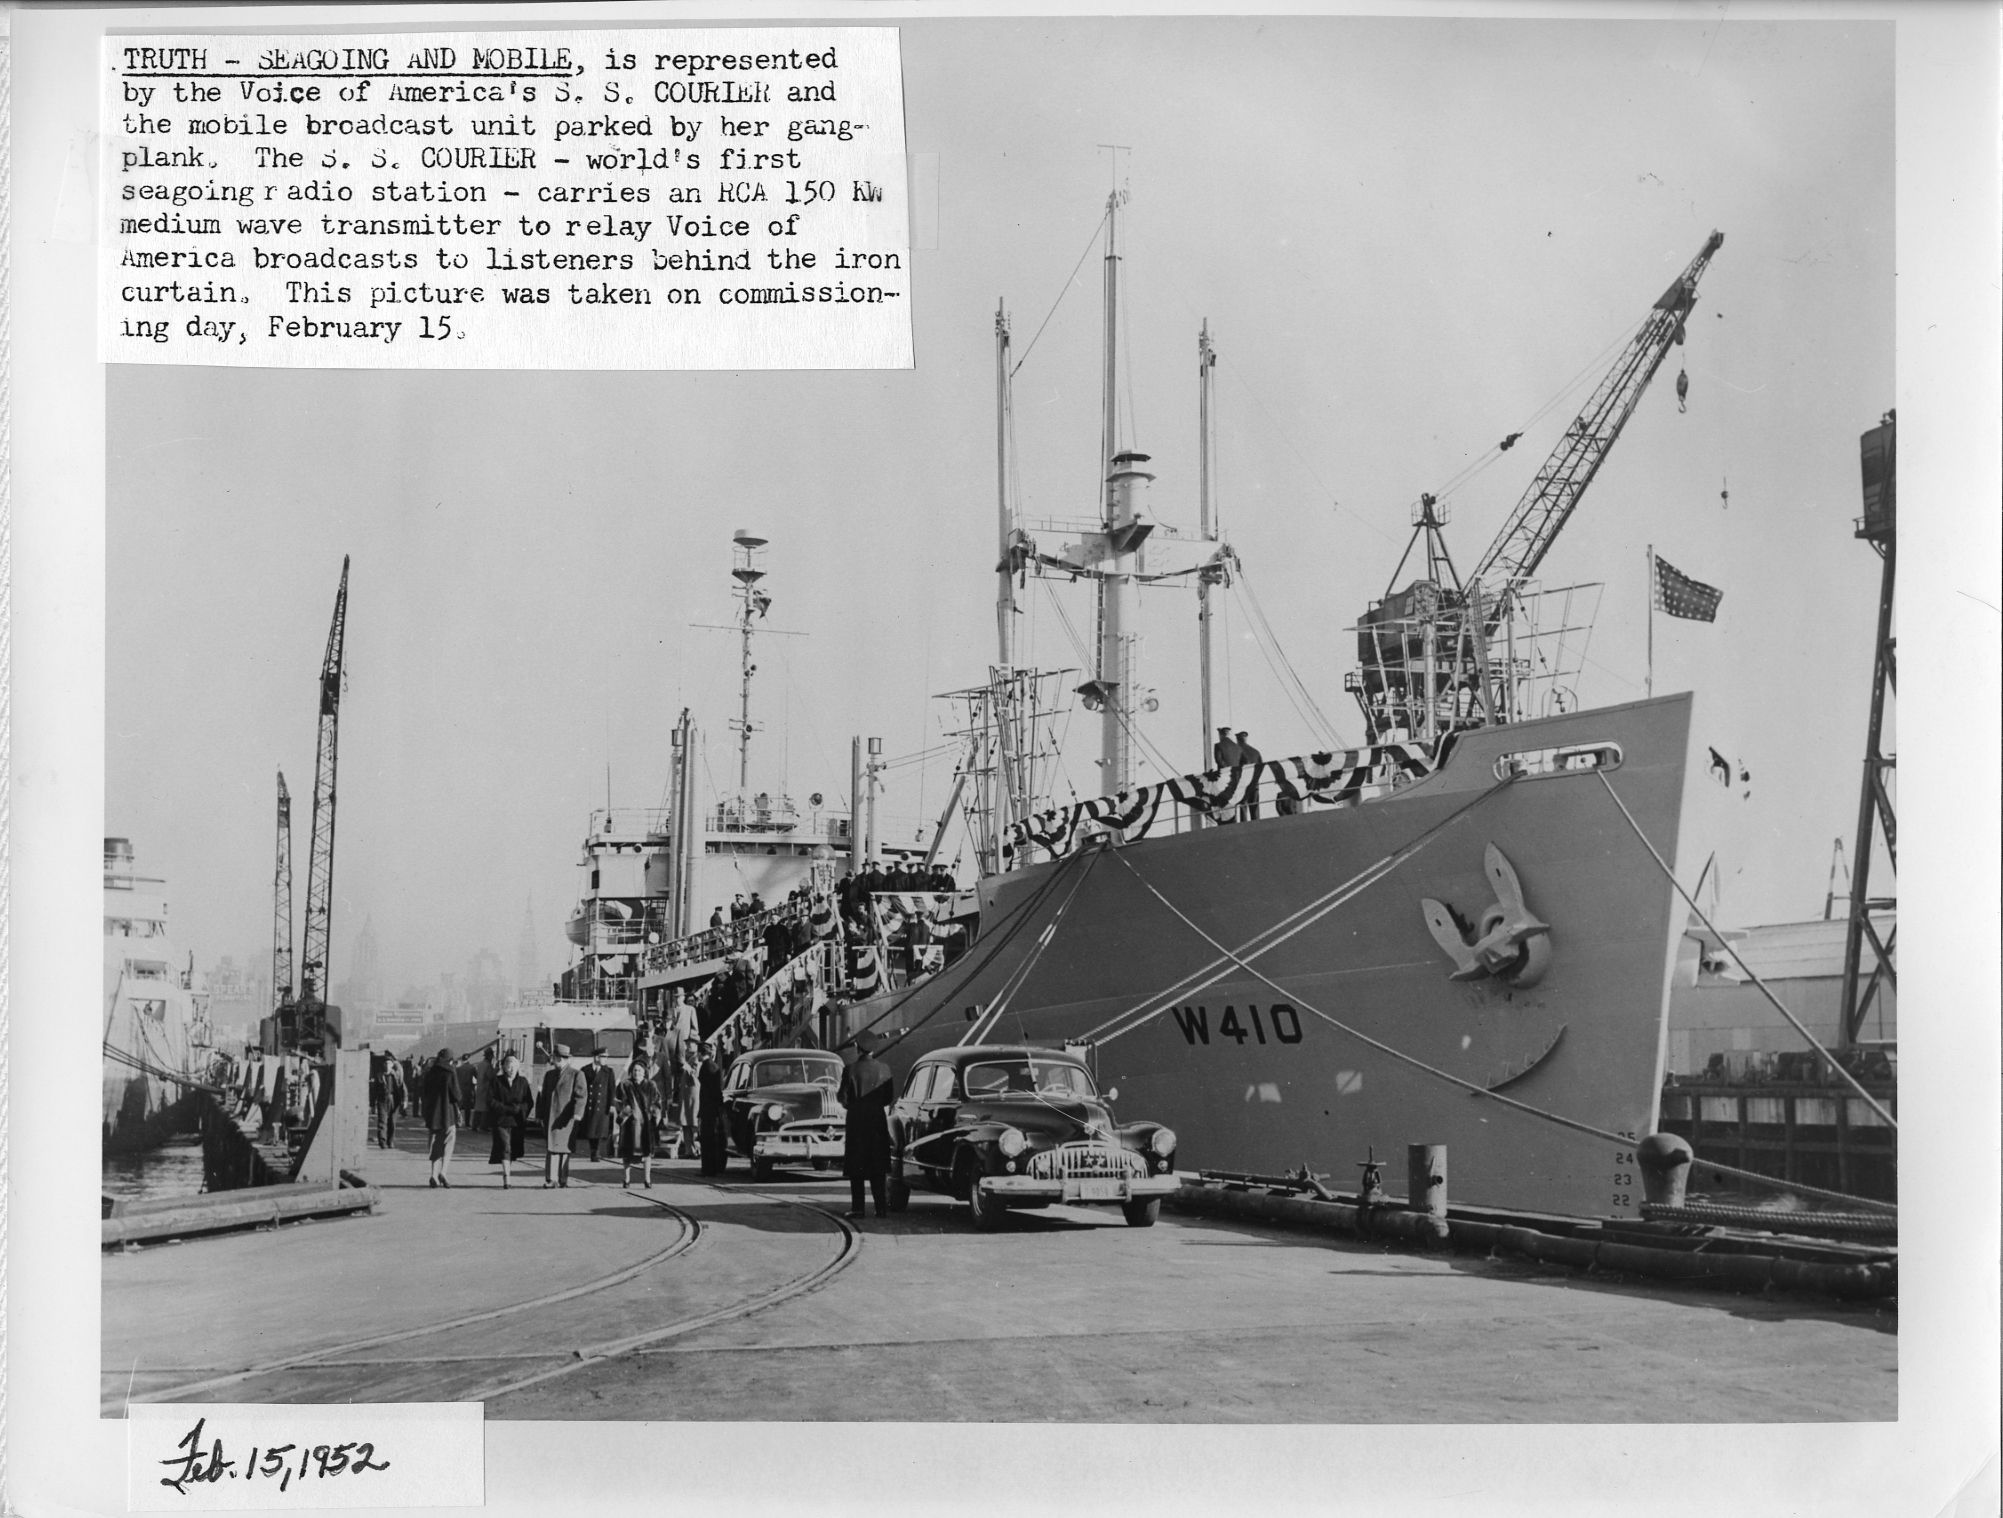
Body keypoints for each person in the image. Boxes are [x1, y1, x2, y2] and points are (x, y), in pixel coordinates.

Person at [839, 1029, 896, 1220]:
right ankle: (881, 1209)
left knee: (857, 1169)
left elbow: (843, 1099)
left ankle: (858, 1209)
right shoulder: (885, 1069)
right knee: (877, 1168)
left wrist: (855, 1106)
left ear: (858, 1048)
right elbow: (888, 1098)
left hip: (856, 1124)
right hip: (877, 1123)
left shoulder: (849, 1070)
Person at [486, 1051, 534, 1188]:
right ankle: (507, 1177)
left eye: (514, 1066)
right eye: (508, 1066)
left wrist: (520, 1109)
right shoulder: (496, 1081)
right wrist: (504, 1109)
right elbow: (490, 1100)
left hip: (517, 1121)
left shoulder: (523, 1082)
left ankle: (508, 1170)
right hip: (501, 1121)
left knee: (512, 1149)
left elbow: (529, 1102)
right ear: (504, 1067)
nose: (511, 1069)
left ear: (518, 1067)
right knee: (505, 1147)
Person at [540, 1044, 585, 1188]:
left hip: (566, 1119)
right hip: (551, 1117)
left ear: (564, 1059)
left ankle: (562, 1179)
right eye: (555, 1058)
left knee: (564, 1149)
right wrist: (540, 1115)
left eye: (558, 1058)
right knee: (551, 1148)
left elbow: (581, 1096)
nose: (555, 1061)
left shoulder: (576, 1074)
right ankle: (551, 1179)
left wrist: (577, 1114)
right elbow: (543, 1097)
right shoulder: (549, 1075)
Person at [615, 1058, 662, 1189]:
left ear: (644, 1072)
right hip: (629, 1124)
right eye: (635, 1070)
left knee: (647, 1153)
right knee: (627, 1154)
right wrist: (625, 1112)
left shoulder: (651, 1085)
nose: (637, 1073)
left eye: (639, 1070)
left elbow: (657, 1102)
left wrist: (655, 1114)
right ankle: (626, 1179)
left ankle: (647, 1179)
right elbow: (618, 1101)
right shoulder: (625, 1085)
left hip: (646, 1125)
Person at [420, 1047, 458, 1188]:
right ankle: (443, 1172)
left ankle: (433, 1175)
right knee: (448, 1145)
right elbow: (457, 1095)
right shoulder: (450, 1072)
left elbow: (424, 1093)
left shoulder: (430, 1073)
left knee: (435, 1144)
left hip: (432, 1115)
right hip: (448, 1115)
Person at [579, 1046, 617, 1163]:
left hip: (602, 1105)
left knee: (600, 1130)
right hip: (590, 1104)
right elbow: (582, 1088)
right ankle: (593, 1150)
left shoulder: (608, 1072)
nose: (605, 1059)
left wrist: (611, 1104)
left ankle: (596, 1152)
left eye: (606, 1057)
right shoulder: (585, 1070)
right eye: (603, 1057)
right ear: (596, 1057)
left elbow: (612, 1089)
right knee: (591, 1130)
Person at [696, 1042, 729, 1176]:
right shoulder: (713, 1066)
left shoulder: (706, 1067)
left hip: (708, 1108)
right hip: (712, 1108)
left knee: (707, 1139)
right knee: (710, 1139)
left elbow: (708, 1092)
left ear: (700, 1053)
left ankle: (708, 1169)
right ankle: (711, 1168)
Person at [1236, 730, 1264, 819]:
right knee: (1255, 808)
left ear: (1238, 739)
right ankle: (1256, 826)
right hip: (1255, 783)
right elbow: (1261, 767)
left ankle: (1244, 827)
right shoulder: (1256, 752)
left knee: (1243, 808)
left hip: (1243, 784)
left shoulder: (1237, 751)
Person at [452, 1054, 478, 1128]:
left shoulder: (458, 1068)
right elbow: (477, 1076)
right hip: (468, 1089)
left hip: (460, 1088)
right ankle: (467, 1122)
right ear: (469, 1059)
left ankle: (457, 1121)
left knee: (459, 1106)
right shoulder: (472, 1067)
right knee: (468, 1107)